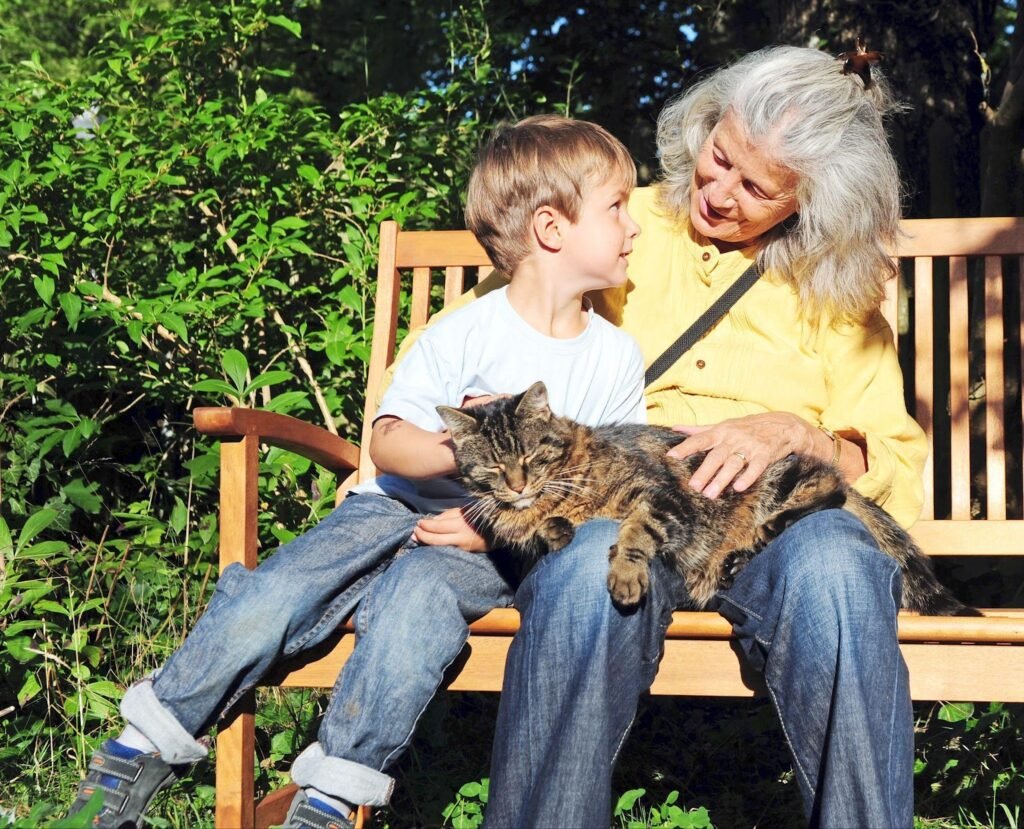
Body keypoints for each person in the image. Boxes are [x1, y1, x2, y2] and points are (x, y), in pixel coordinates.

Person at [391, 46, 927, 827]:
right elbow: (468, 341)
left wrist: (798, 433)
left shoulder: (836, 278)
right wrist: (475, 485)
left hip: (770, 517)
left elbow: (893, 461)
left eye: (755, 188)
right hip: (621, 498)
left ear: (809, 201)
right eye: (720, 156)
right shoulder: (617, 219)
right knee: (583, 569)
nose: (718, 190)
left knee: (839, 568)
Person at [65, 115, 646, 829]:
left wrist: (490, 525)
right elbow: (388, 444)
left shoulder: (613, 358)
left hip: (486, 543)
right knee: (275, 594)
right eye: (617, 208)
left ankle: (331, 797)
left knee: (414, 608)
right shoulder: (464, 331)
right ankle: (138, 748)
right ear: (551, 228)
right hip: (386, 508)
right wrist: (462, 447)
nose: (634, 227)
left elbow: (607, 491)